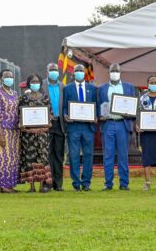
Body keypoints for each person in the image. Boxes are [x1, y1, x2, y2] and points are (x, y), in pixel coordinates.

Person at [97, 63, 136, 191]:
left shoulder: (129, 87)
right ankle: (108, 183)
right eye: (112, 70)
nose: (114, 72)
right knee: (108, 155)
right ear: (109, 72)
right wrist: (99, 115)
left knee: (123, 155)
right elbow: (98, 105)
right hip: (108, 123)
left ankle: (124, 183)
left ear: (120, 72)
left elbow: (134, 106)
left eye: (117, 70)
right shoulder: (102, 88)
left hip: (123, 124)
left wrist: (130, 113)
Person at [63, 64, 98, 192]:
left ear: (85, 73)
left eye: (81, 71)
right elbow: (65, 107)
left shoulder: (92, 88)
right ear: (73, 73)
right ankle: (76, 183)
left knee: (88, 155)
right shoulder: (68, 88)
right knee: (74, 155)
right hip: (74, 127)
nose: (79, 72)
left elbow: (96, 106)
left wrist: (96, 116)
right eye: (77, 70)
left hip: (88, 127)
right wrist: (65, 115)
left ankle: (86, 182)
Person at [19, 74, 52, 193]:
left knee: (42, 159)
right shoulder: (23, 98)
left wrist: (44, 127)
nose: (35, 83)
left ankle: (43, 185)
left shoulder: (45, 98)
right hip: (28, 136)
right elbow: (19, 117)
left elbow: (50, 116)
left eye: (37, 81)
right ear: (28, 83)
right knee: (29, 159)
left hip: (42, 136)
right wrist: (25, 128)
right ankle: (31, 186)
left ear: (40, 83)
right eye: (32, 81)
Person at [0, 69, 20, 193]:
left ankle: (10, 184)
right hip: (3, 130)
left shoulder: (14, 93)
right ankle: (3, 185)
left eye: (11, 76)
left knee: (13, 158)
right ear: (1, 78)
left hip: (15, 131)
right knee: (4, 157)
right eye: (6, 76)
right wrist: (1, 134)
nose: (9, 78)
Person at [43, 63, 66, 192]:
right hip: (46, 124)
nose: (54, 71)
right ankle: (47, 183)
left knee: (59, 154)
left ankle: (58, 184)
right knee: (47, 155)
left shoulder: (63, 86)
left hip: (60, 124)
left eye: (56, 70)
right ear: (47, 72)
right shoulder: (41, 86)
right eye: (51, 69)